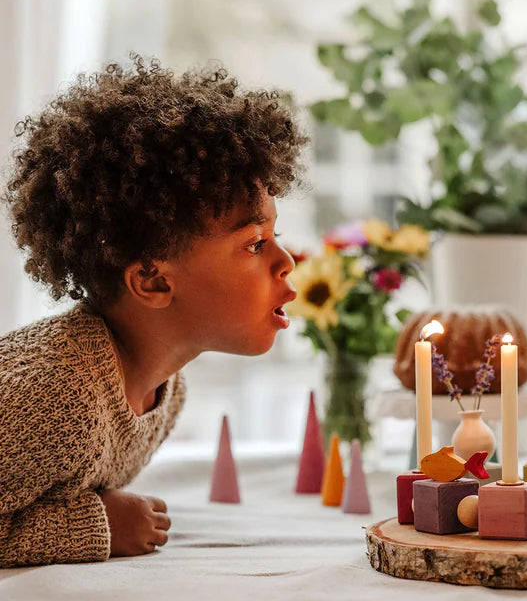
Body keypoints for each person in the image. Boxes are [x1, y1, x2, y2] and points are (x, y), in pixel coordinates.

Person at [0, 57, 306, 567]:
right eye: (255, 244)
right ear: (153, 280)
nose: (287, 261)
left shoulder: (167, 388)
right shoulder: (56, 398)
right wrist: (94, 524)